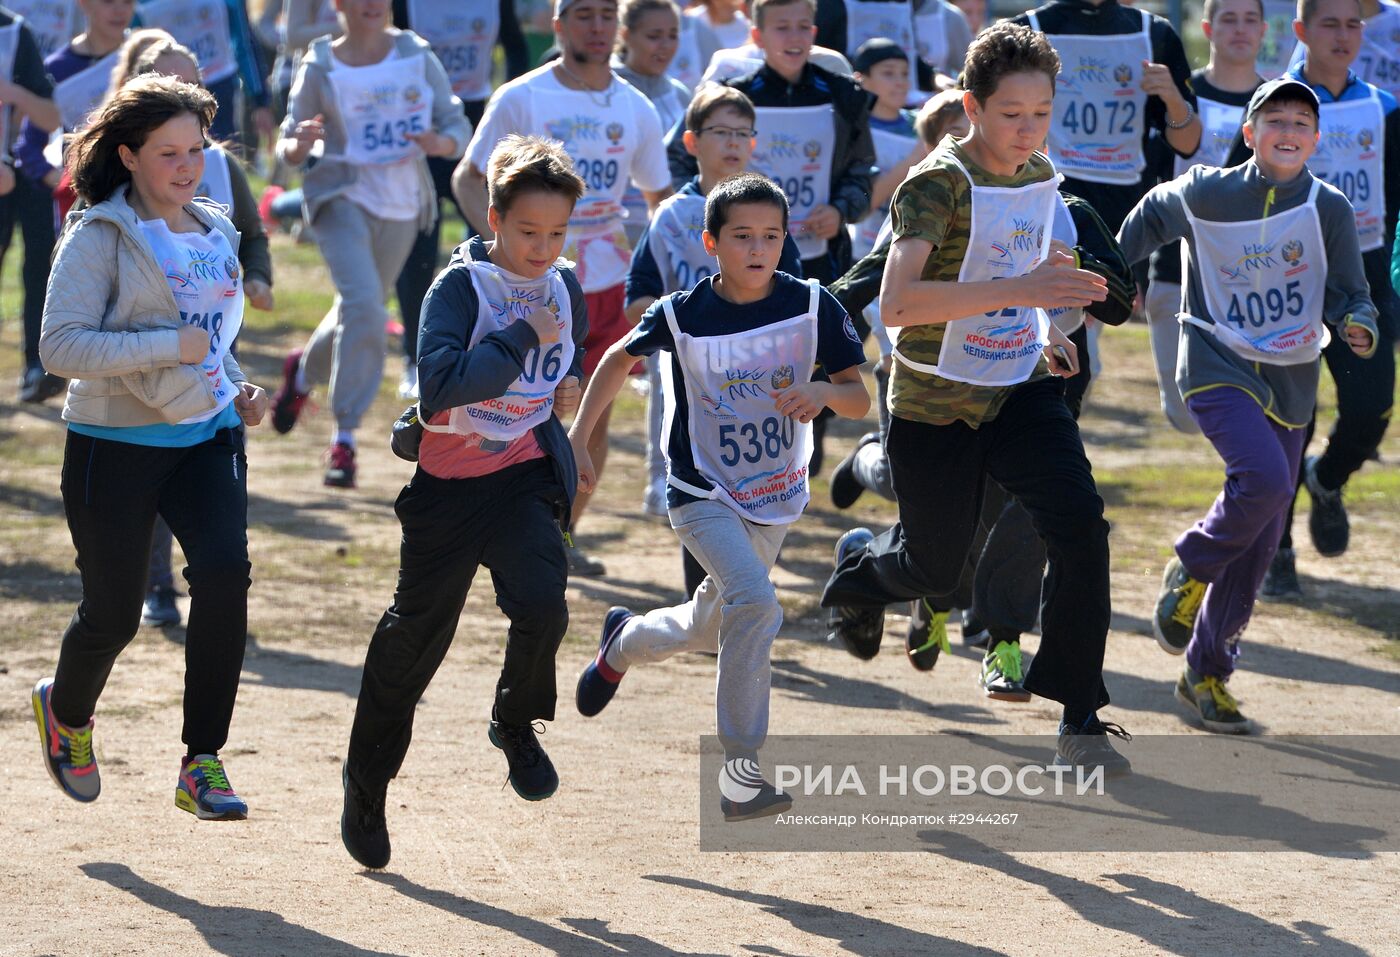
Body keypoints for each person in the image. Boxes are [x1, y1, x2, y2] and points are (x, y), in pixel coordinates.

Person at [820, 23, 1132, 776]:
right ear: (971, 105)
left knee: (1081, 524)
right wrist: (1024, 291)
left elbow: (1020, 268)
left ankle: (1080, 715)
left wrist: (1041, 327)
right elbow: (895, 305)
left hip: (1020, 387)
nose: (1028, 130)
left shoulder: (1039, 175)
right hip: (932, 406)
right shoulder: (938, 183)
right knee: (932, 569)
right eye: (1011, 114)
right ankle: (859, 570)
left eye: (1041, 112)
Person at [571, 172, 870, 821]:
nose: (757, 249)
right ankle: (741, 774)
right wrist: (576, 439)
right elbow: (617, 360)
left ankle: (622, 642)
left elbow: (859, 393)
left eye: (769, 236)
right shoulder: (682, 313)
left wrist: (822, 394)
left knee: (712, 623)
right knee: (757, 604)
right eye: (741, 237)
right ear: (711, 242)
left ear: (784, 240)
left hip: (776, 492)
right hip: (700, 489)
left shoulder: (814, 304)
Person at [340, 135, 586, 870]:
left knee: (544, 602)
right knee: (415, 640)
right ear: (493, 219)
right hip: (448, 491)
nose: (543, 249)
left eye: (557, 233)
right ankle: (367, 782)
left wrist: (562, 387)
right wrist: (518, 336)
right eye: (527, 232)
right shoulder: (459, 289)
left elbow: (557, 360)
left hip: (522, 476)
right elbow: (442, 386)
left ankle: (514, 722)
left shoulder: (564, 283)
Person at [32, 74, 269, 819]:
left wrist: (237, 384)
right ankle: (66, 713)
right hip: (115, 440)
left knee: (226, 573)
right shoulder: (97, 233)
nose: (187, 167)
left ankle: (202, 762)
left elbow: (213, 337)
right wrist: (170, 345)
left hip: (207, 435)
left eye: (196, 150)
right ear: (129, 156)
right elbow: (60, 345)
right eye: (169, 153)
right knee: (114, 613)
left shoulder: (215, 228)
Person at [1118, 77, 1377, 733]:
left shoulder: (1330, 208)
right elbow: (1151, 214)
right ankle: (1192, 563)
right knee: (1263, 481)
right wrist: (1116, 268)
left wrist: (1358, 322)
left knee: (1262, 541)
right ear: (1249, 133)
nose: (1287, 132)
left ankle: (1205, 671)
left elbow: (1352, 292)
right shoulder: (1208, 191)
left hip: (1291, 378)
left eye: (1300, 123)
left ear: (1316, 140)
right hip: (1215, 360)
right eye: (1275, 119)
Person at [456, 0, 673, 577]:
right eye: (583, 15)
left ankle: (561, 536)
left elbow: (660, 201)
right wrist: (509, 257)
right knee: (516, 407)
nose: (597, 27)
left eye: (607, 16)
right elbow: (467, 177)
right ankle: (496, 523)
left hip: (605, 282)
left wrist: (651, 269)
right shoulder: (522, 97)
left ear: (620, 29)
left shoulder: (636, 106)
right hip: (527, 287)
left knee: (591, 415)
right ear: (558, 25)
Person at [99, 33, 275, 628]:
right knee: (152, 473)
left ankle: (216, 583)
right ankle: (153, 586)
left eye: (192, 83)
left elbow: (251, 233)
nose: (183, 93)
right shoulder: (113, 187)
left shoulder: (221, 164)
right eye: (167, 82)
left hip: (211, 343)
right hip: (142, 355)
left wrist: (258, 278)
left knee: (209, 475)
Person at [1227, 0, 1398, 597]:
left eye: (1353, 24)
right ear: (1300, 31)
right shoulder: (1271, 109)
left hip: (1363, 287)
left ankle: (1328, 480)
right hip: (1283, 289)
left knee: (1372, 408)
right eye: (1329, 23)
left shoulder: (1383, 108)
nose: (1344, 35)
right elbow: (1232, 195)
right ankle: (1277, 548)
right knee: (1286, 420)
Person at [269, 0, 469, 488]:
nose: (370, 6)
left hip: (403, 205)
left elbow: (458, 129)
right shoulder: (320, 62)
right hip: (341, 198)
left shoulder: (415, 54)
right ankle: (346, 437)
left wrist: (438, 143)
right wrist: (299, 142)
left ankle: (302, 371)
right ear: (337, 4)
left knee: (357, 310)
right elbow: (289, 142)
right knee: (364, 305)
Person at [625, 85, 803, 588]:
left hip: (755, 379)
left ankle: (727, 601)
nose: (731, 143)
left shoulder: (768, 213)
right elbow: (636, 298)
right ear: (691, 142)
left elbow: (792, 297)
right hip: (689, 380)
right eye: (719, 132)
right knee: (699, 483)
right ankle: (707, 604)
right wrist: (685, 317)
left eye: (742, 133)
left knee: (753, 486)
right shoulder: (672, 217)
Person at [1145, 0, 1265, 435]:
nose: (1240, 29)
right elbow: (1149, 183)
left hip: (1249, 273)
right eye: (1228, 19)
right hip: (1176, 269)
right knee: (1186, 415)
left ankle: (1253, 488)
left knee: (1250, 401)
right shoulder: (1176, 95)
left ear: (1265, 30)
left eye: (1250, 19)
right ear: (1208, 28)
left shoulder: (1278, 101)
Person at [1009, 0, 1201, 236]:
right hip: (1047, 205)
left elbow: (1188, 144)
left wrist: (1173, 99)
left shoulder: (1153, 32)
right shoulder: (1023, 32)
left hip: (1124, 216)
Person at [0, 6, 63, 403]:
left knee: (40, 263)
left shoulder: (12, 32)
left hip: (25, 172)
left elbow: (49, 113)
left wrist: (13, 93)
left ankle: (35, 367)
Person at [135, 0, 273, 147]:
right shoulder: (142, 5)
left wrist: (260, 101)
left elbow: (244, 43)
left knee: (222, 152)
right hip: (169, 91)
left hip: (221, 89)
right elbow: (134, 51)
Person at [849, 38, 923, 260]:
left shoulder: (921, 125)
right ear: (861, 79)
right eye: (889, 74)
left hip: (908, 250)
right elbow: (864, 204)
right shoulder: (854, 129)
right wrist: (914, 160)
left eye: (904, 74)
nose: (900, 82)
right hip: (862, 251)